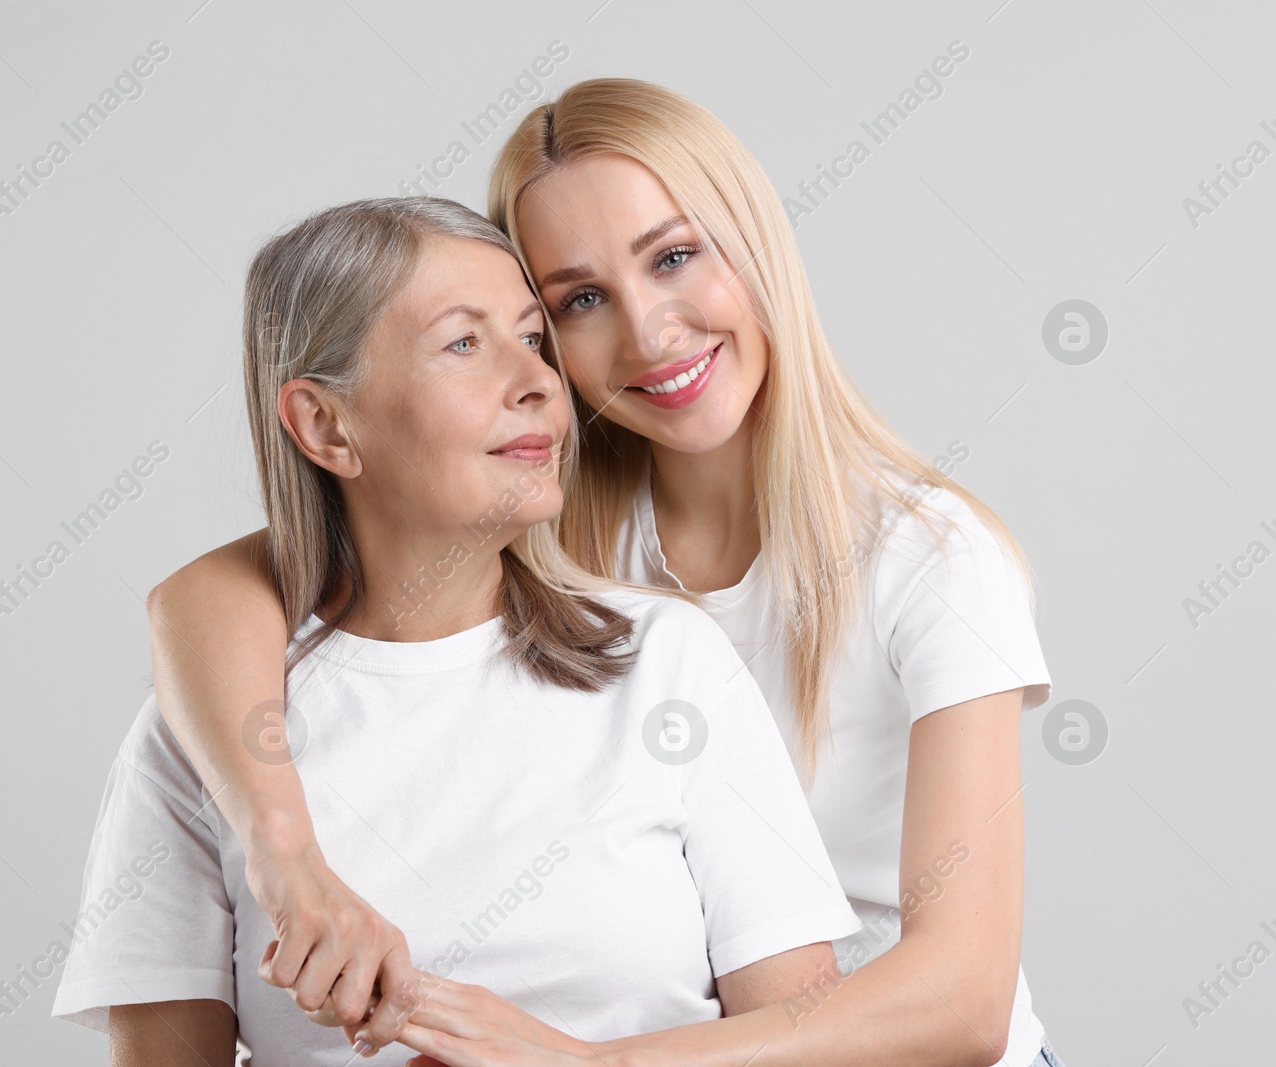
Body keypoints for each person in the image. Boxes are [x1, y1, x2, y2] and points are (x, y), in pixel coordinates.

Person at [143, 80, 1064, 1067]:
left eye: (675, 257)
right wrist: (284, 857)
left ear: (754, 244)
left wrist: (589, 1066)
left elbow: (963, 1002)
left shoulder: (927, 555)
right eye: (577, 299)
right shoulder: (546, 534)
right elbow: (208, 592)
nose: (646, 332)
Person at [50, 196, 863, 1066]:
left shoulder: (669, 665)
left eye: (530, 336)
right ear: (325, 425)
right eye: (464, 343)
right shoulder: (208, 736)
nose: (540, 382)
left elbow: (810, 1044)